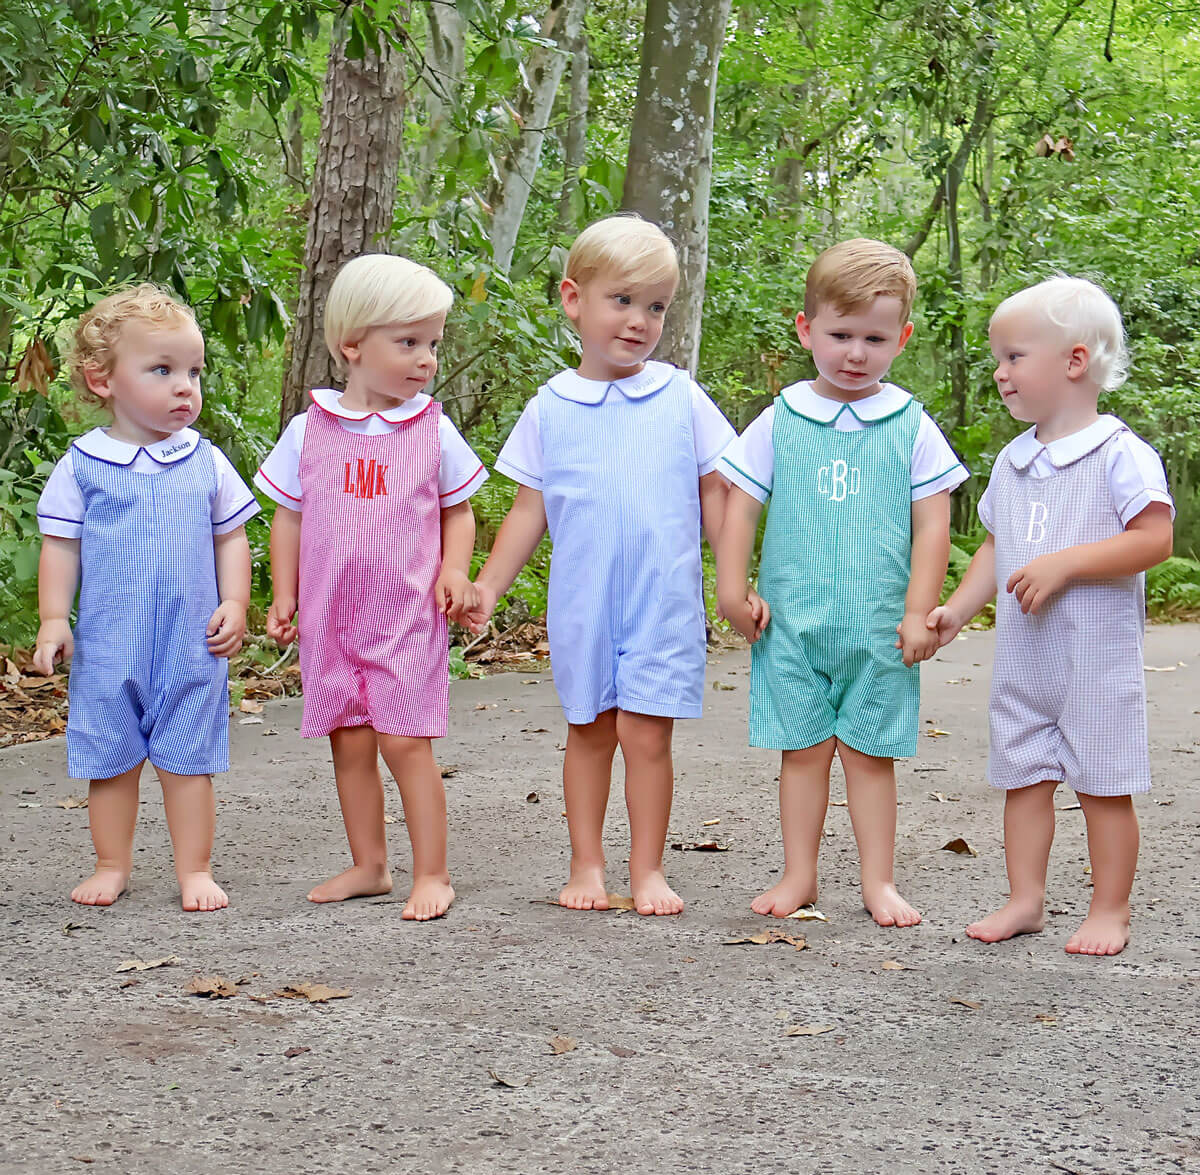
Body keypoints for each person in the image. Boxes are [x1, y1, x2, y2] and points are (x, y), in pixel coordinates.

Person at [465, 214, 739, 916]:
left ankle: (647, 869)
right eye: (622, 300)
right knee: (589, 731)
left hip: (662, 600)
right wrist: (488, 586)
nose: (640, 321)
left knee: (647, 735)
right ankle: (585, 863)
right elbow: (529, 509)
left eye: (656, 306)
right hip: (583, 604)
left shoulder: (680, 396)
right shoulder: (551, 408)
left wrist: (734, 582)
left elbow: (717, 491)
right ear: (573, 299)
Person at [717, 239, 967, 927]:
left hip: (878, 625)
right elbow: (741, 506)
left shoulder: (911, 424)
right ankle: (799, 873)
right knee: (803, 750)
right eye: (840, 335)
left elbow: (933, 526)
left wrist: (919, 611)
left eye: (874, 339)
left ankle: (878, 881)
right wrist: (731, 589)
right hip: (792, 623)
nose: (855, 353)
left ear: (901, 339)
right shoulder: (781, 418)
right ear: (807, 330)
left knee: (869, 753)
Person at [927, 276, 1173, 955]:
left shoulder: (1119, 453)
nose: (1000, 373)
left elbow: (1154, 540)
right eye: (998, 359)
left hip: (1095, 664)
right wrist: (956, 611)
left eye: (1014, 356)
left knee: (1103, 786)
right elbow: (997, 547)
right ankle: (1025, 899)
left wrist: (1066, 563)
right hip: (1027, 663)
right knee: (1024, 779)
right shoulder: (1014, 461)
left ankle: (1110, 909)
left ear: (1074, 360)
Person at [256, 255, 486, 919]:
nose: (426, 359)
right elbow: (289, 515)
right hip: (332, 619)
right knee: (350, 742)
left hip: (405, 616)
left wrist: (454, 570)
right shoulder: (310, 429)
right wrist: (284, 593)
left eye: (433, 343)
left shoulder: (431, 427)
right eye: (408, 342)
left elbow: (458, 511)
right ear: (353, 345)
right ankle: (369, 865)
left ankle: (433, 873)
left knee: (405, 741)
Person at [33, 284, 258, 911]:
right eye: (162, 370)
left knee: (188, 761)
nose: (185, 386)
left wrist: (236, 603)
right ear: (101, 380)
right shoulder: (82, 465)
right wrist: (54, 618)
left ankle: (196, 870)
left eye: (193, 372)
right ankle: (111, 864)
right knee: (110, 760)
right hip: (109, 646)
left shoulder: (205, 461)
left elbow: (231, 537)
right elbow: (61, 547)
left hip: (189, 642)